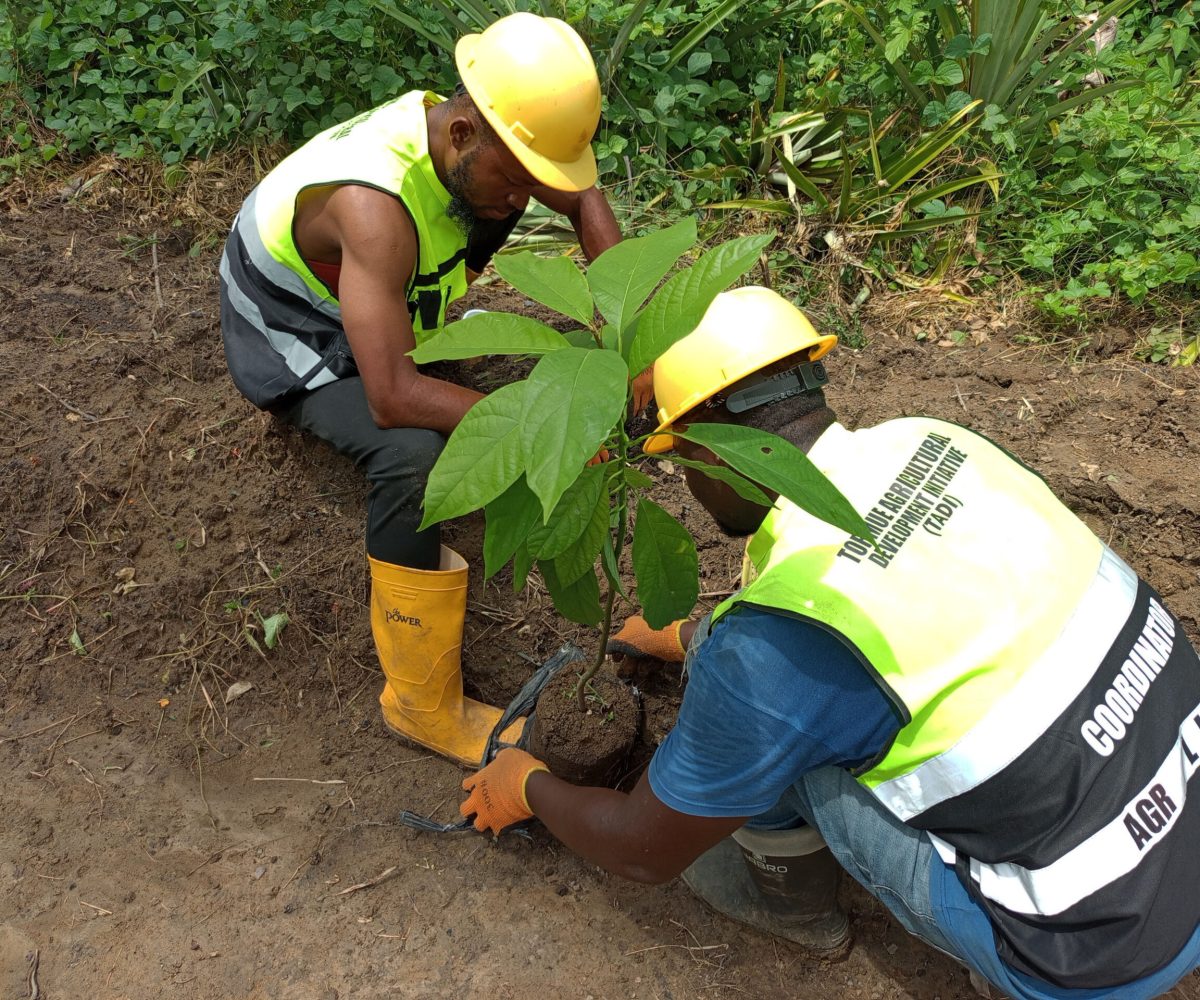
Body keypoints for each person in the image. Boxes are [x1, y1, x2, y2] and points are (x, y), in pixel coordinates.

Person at [458, 286, 1200, 999]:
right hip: (1180, 790)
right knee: (781, 698)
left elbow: (639, 848)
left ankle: (794, 908)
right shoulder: (933, 440)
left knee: (778, 752)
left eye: (679, 456)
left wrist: (526, 784)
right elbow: (919, 588)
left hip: (1093, 944)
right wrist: (689, 635)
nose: (683, 480)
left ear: (710, 443)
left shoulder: (768, 656)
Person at [219, 13, 639, 767]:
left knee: (481, 226)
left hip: (375, 288)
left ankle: (414, 319)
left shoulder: (486, 150)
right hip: (294, 327)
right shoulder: (375, 207)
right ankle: (420, 702)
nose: (522, 203)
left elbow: (578, 198)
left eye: (533, 183)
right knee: (413, 456)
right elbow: (392, 397)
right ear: (461, 135)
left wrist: (634, 348)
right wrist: (548, 436)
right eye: (516, 181)